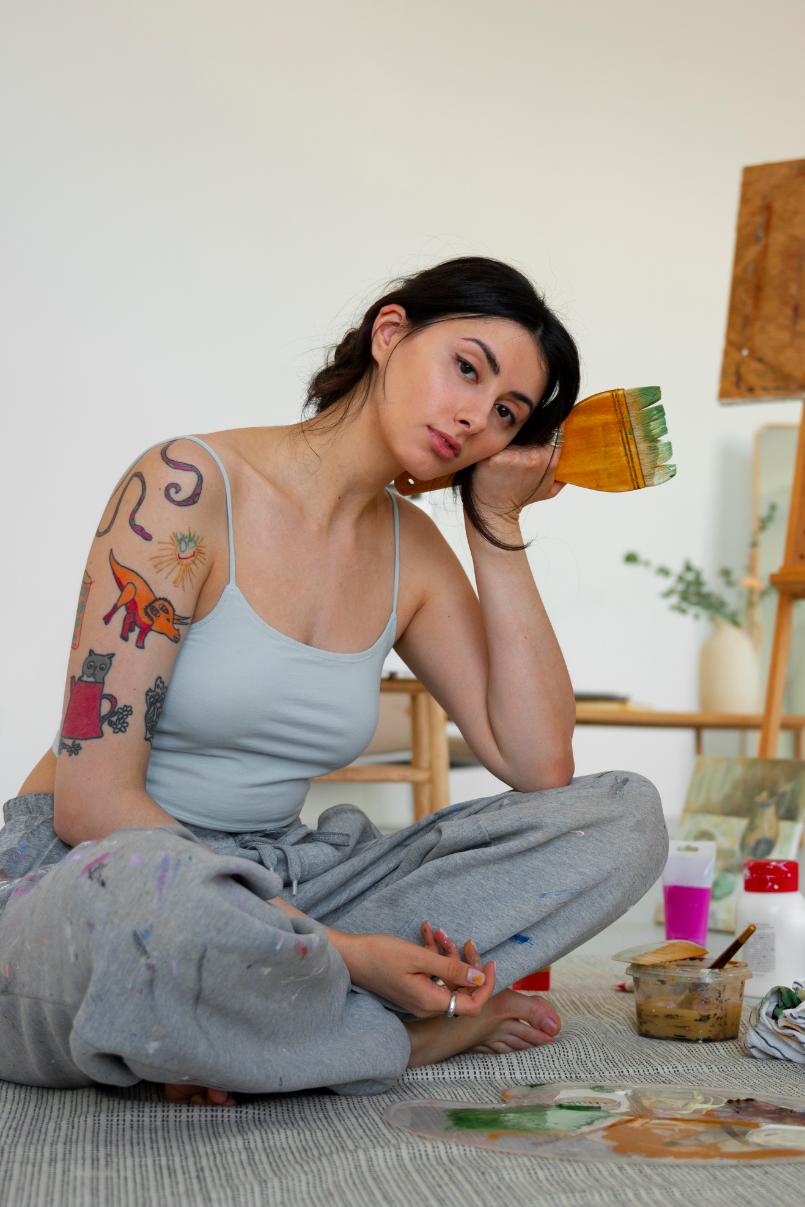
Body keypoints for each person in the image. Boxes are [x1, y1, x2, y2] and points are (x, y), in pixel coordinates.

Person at [0, 256, 667, 1106]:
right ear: (390, 334)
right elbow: (90, 803)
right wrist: (347, 953)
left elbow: (538, 764)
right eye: (466, 368)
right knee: (171, 907)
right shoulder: (185, 487)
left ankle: (241, 1024)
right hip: (102, 873)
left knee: (625, 817)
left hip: (287, 881)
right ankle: (387, 1032)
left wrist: (495, 521)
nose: (474, 417)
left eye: (506, 412)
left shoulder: (412, 552)